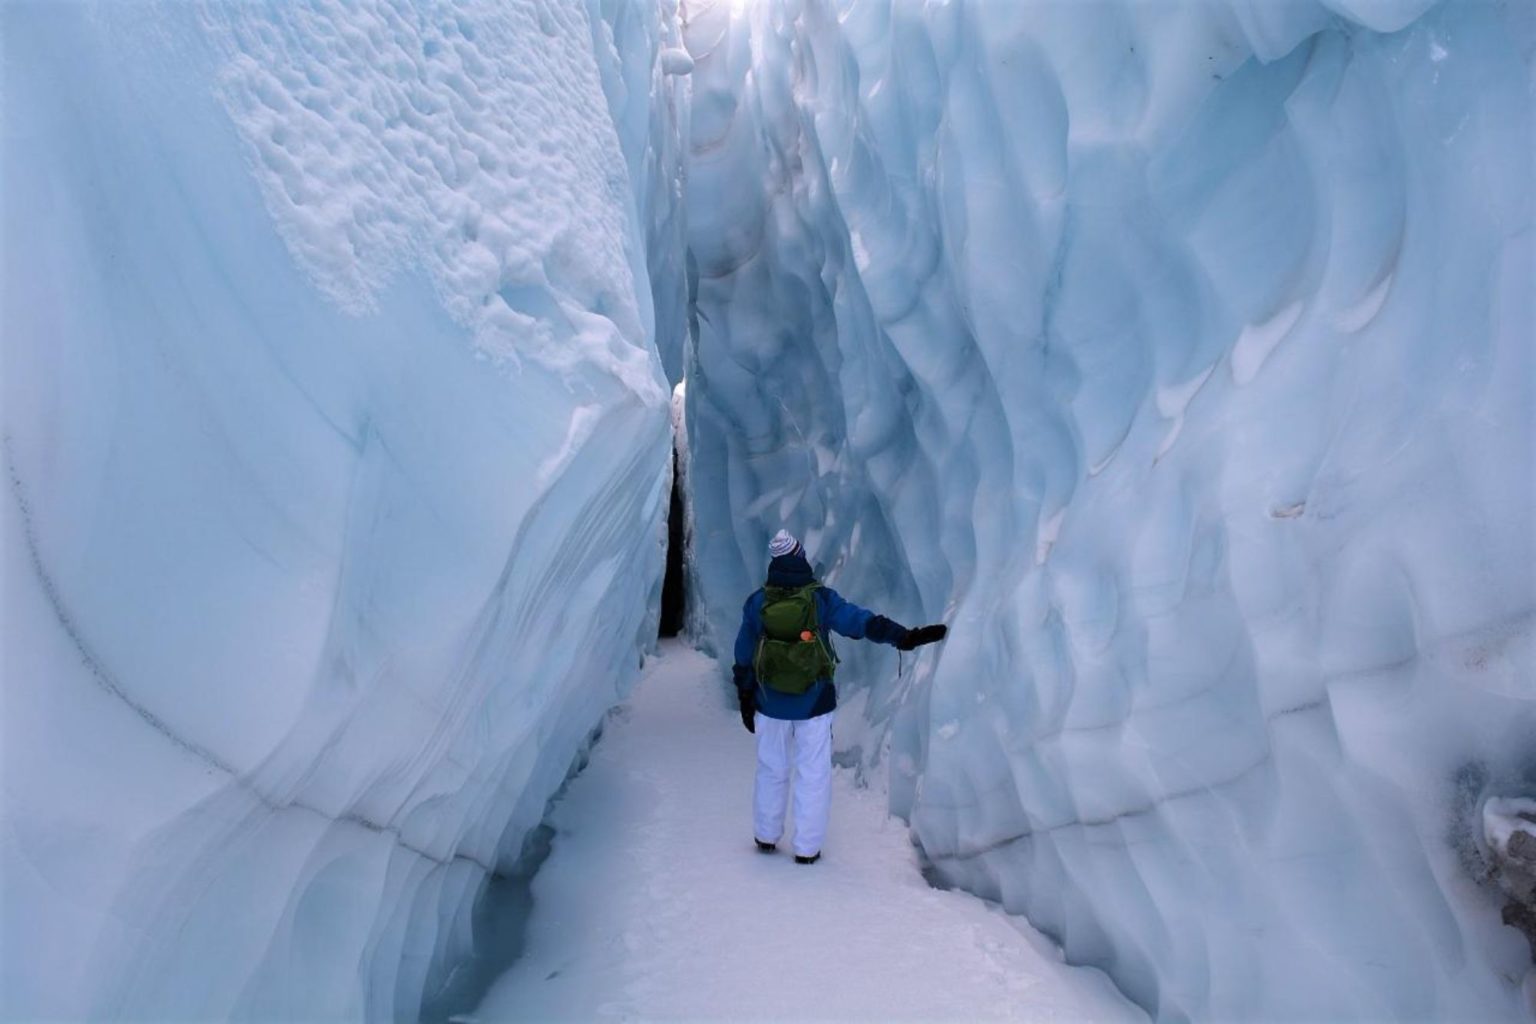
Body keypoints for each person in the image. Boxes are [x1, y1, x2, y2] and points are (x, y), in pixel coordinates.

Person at [732, 529, 947, 864]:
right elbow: (861, 623)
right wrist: (904, 637)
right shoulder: (821, 600)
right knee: (813, 772)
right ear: (801, 560)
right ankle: (806, 848)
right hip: (814, 701)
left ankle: (766, 834)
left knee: (771, 767)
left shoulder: (758, 602)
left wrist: (745, 693)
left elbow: (744, 651)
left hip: (769, 702)